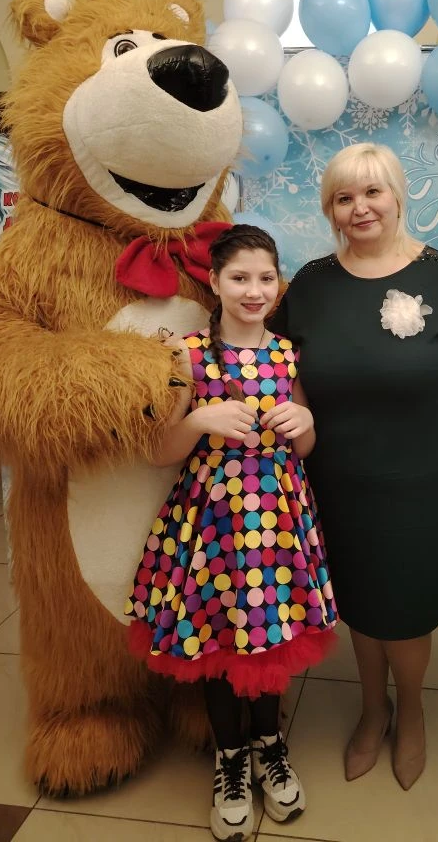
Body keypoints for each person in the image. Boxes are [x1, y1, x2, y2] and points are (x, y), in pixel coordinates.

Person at [270, 142, 438, 790]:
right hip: (338, 478)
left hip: (422, 482)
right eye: (344, 197)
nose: (360, 207)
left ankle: (410, 711)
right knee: (359, 599)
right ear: (330, 209)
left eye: (372, 192)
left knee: (403, 608)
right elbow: (281, 369)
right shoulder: (312, 284)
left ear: (397, 195)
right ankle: (371, 707)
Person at [125, 225, 337, 842]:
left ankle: (270, 744)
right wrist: (199, 419)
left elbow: (306, 445)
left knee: (272, 630)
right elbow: (158, 452)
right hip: (212, 525)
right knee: (218, 635)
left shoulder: (288, 353)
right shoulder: (186, 354)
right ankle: (231, 758)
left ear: (278, 283)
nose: (253, 290)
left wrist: (305, 420)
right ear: (215, 282)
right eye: (239, 278)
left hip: (278, 519)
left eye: (265, 278)